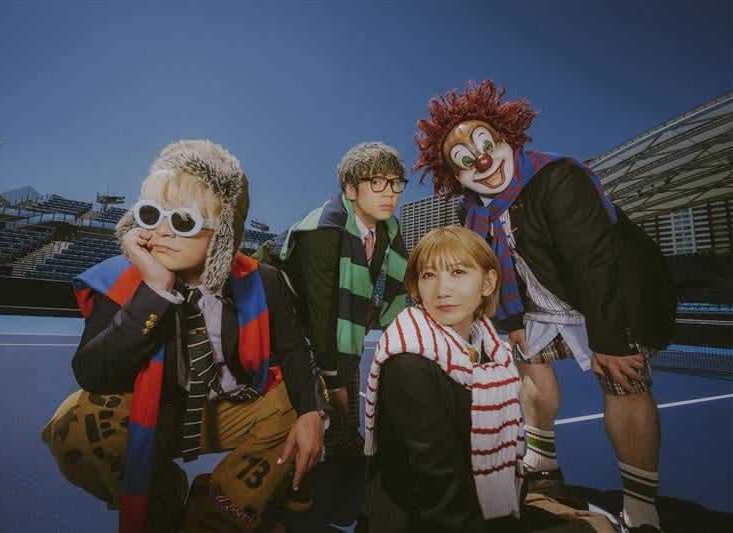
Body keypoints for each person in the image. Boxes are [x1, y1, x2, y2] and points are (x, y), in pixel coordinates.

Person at [413, 80, 677, 533]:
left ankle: (640, 504)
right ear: (454, 175)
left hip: (609, 291)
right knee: (530, 367)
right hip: (539, 302)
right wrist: (514, 321)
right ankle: (542, 463)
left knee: (624, 383)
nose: (481, 162)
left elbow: (594, 262)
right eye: (464, 160)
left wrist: (609, 340)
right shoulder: (470, 211)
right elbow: (491, 268)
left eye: (486, 145)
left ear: (505, 137)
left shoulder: (558, 178)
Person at [41, 140, 329, 533]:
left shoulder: (264, 281)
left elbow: (294, 350)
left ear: (223, 233)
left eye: (182, 221)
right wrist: (154, 291)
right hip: (159, 411)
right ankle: (162, 498)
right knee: (74, 424)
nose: (161, 232)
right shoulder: (119, 278)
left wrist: (312, 413)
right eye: (151, 215)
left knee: (307, 401)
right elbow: (93, 374)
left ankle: (219, 510)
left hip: (231, 406)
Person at [359, 226, 525, 532]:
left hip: (481, 505)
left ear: (488, 282)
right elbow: (442, 490)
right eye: (428, 275)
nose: (441, 290)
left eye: (458, 272)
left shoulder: (490, 349)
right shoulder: (407, 364)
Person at [256, 141, 409, 461]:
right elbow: (323, 313)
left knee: (346, 355)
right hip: (273, 297)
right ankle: (282, 457)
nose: (390, 193)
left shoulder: (387, 230)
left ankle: (342, 441)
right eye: (377, 182)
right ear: (351, 190)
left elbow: (378, 283)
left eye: (395, 183)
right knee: (298, 374)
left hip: (318, 299)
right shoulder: (323, 231)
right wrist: (333, 379)